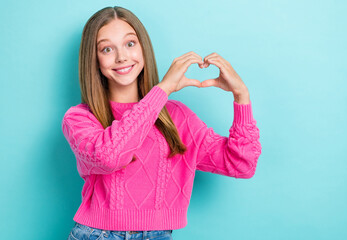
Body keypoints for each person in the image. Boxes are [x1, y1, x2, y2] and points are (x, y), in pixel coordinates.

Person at [62, 6, 262, 240]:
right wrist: (163, 89)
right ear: (94, 60)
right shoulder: (79, 118)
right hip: (96, 235)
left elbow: (242, 164)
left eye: (130, 44)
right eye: (107, 49)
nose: (122, 57)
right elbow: (110, 157)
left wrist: (242, 97)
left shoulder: (178, 116)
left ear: (143, 49)